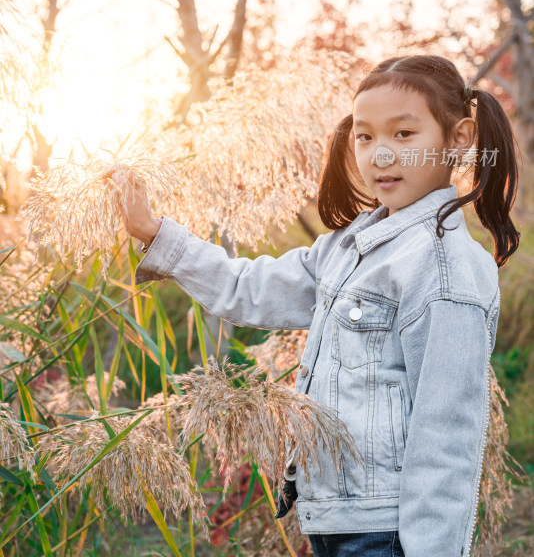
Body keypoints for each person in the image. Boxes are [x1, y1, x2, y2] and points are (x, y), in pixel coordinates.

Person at [104, 54, 521, 557]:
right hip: (331, 518)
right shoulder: (346, 249)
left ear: (458, 138)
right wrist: (156, 233)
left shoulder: (444, 268)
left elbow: (446, 438)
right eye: (365, 137)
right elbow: (247, 287)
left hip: (385, 530)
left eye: (404, 135)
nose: (380, 156)